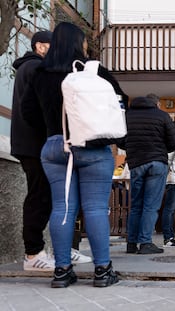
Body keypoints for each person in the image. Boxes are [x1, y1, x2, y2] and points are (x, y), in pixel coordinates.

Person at [21, 22, 127, 288]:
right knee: (95, 208)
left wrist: (52, 129)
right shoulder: (94, 71)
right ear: (79, 44)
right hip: (92, 147)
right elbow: (120, 102)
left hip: (55, 147)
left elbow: (28, 113)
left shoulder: (40, 72)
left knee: (62, 207)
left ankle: (62, 271)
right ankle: (103, 270)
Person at [10, 30, 91, 272]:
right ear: (40, 47)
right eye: (53, 46)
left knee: (55, 198)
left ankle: (61, 250)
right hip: (34, 145)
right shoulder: (35, 69)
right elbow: (35, 112)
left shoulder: (33, 68)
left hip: (36, 144)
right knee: (40, 198)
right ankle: (33, 254)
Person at [124, 95, 175, 254]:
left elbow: (120, 140)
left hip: (136, 163)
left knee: (136, 205)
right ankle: (145, 243)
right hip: (156, 163)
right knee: (150, 205)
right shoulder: (162, 115)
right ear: (157, 104)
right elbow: (173, 143)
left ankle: (131, 243)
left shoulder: (127, 116)